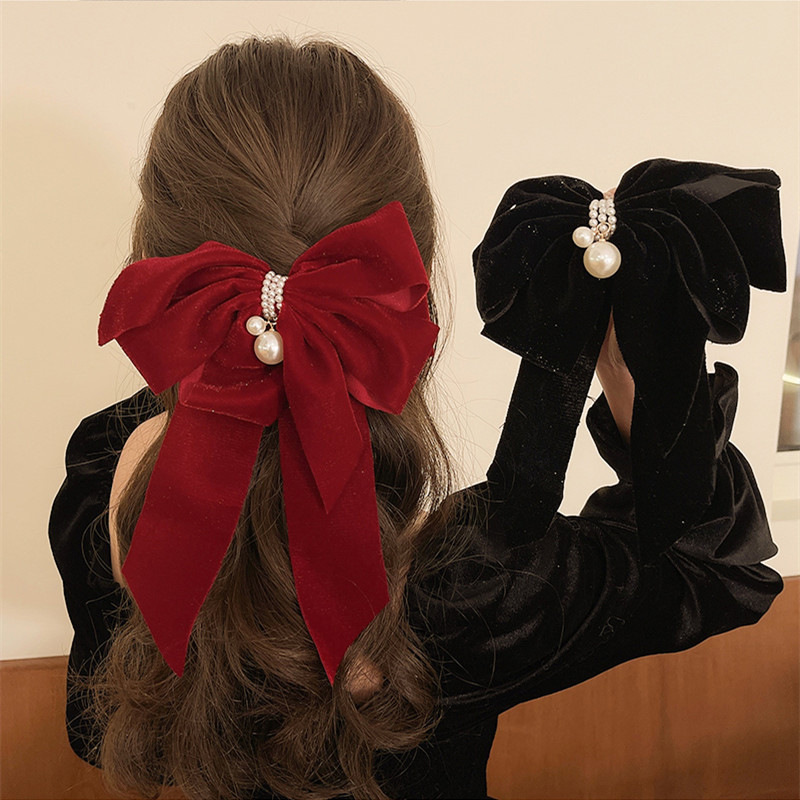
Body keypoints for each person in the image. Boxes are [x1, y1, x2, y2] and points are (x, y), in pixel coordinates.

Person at [48, 36, 784, 800]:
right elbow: (717, 567)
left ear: (159, 263)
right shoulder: (474, 586)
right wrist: (637, 363)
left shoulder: (103, 472)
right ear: (410, 282)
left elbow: (93, 728)